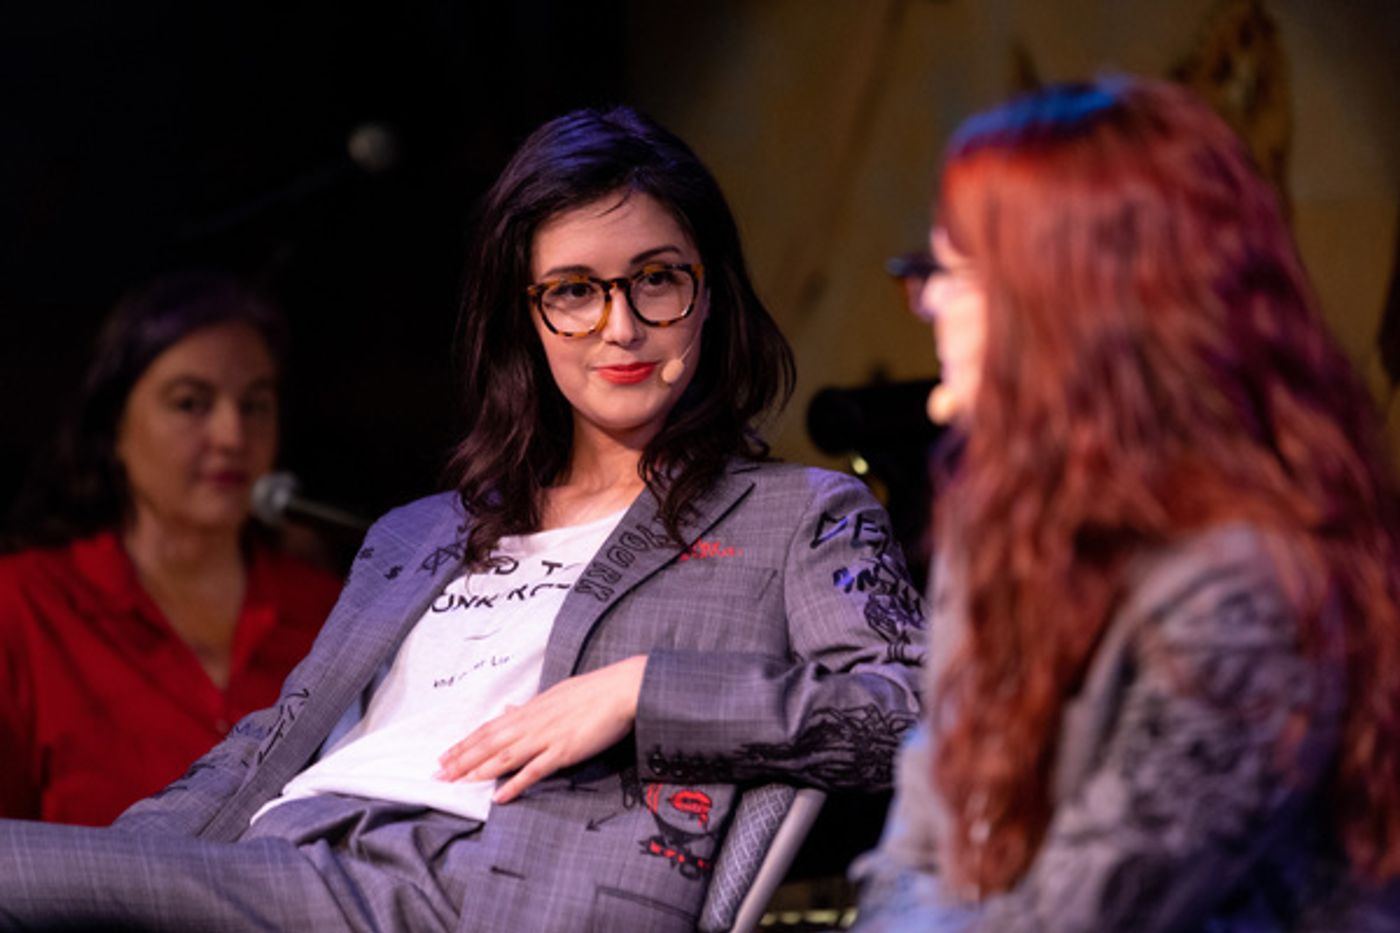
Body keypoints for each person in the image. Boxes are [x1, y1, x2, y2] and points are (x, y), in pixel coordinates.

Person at [0, 105, 924, 932]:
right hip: (280, 858)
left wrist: (642, 690)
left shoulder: (795, 514)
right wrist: (110, 873)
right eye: (574, 290)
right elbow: (269, 740)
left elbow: (917, 712)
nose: (622, 326)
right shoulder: (418, 532)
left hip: (472, 879)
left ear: (710, 291)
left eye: (657, 278)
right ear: (524, 318)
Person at [851, 76, 1400, 931]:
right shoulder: (1000, 525)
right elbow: (909, 858)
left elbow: (1085, 914)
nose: (928, 306)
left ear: (1063, 304)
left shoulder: (1248, 587)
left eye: (950, 274)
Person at [0, 273, 343, 827]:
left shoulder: (335, 612)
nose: (233, 435)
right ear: (114, 428)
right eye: (191, 403)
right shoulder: (22, 604)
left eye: (255, 405)